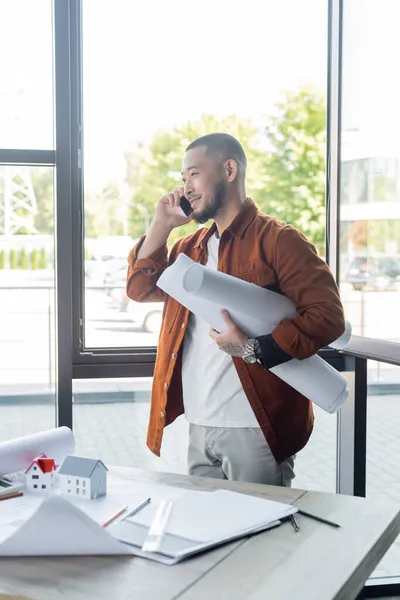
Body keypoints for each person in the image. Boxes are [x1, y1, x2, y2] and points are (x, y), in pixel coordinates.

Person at [126, 133, 345, 486]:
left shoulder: (279, 240)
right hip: (199, 422)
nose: (186, 189)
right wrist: (161, 226)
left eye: (193, 175)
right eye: (182, 180)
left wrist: (252, 348)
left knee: (262, 538)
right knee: (208, 535)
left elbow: (327, 317)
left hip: (255, 428)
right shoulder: (188, 248)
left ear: (229, 169)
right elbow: (139, 289)